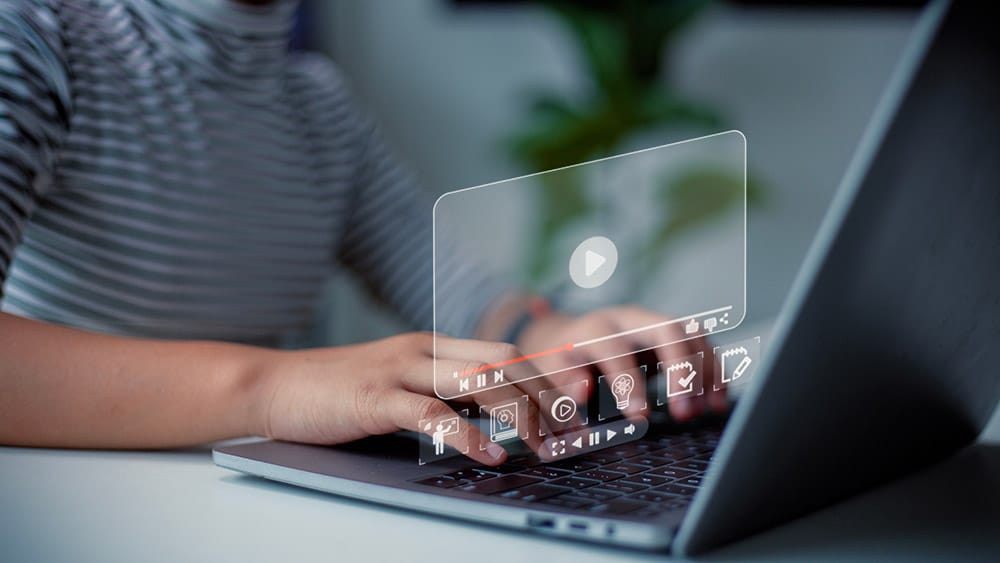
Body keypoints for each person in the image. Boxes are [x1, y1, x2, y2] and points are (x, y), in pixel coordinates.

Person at [0, 0, 723, 465]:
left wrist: (563, 337)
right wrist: (278, 387)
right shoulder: (36, 40)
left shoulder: (317, 109)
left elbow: (476, 305)